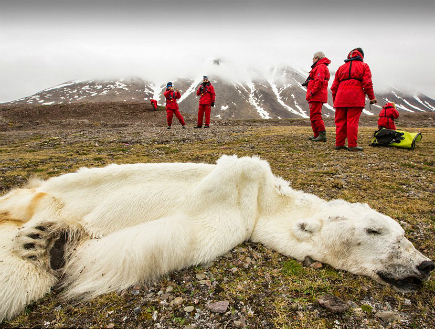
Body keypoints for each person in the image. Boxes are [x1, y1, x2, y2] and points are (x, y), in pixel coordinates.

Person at [331, 48, 377, 151]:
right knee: (352, 122)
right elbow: (367, 83)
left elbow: (334, 87)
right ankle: (352, 145)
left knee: (340, 122)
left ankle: (339, 144)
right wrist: (371, 97)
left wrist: (335, 100)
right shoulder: (364, 66)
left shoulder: (341, 68)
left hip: (340, 98)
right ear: (361, 56)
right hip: (355, 98)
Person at [304, 51, 331, 142]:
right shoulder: (319, 67)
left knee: (316, 115)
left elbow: (318, 81)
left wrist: (312, 92)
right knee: (313, 115)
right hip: (316, 95)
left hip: (316, 95)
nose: (312, 60)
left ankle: (322, 135)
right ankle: (317, 134)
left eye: (313, 58)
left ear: (317, 58)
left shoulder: (320, 67)